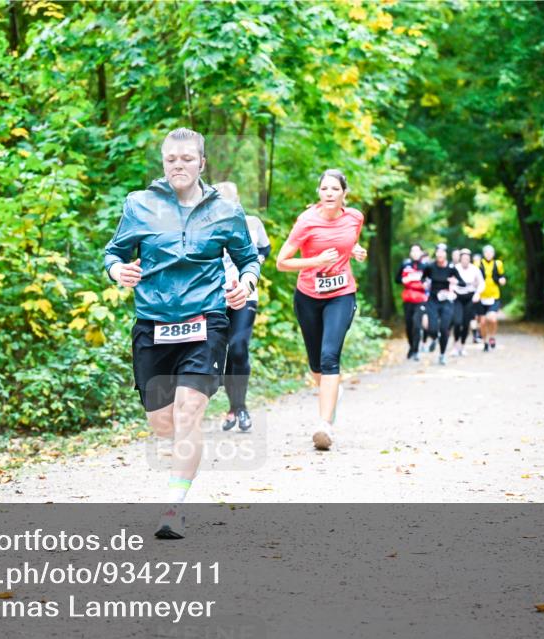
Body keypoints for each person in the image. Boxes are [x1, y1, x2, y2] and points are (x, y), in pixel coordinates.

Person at [103, 127, 259, 538]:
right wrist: (119, 270)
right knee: (162, 422)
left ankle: (173, 507)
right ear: (163, 162)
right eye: (171, 159)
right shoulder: (139, 205)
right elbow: (113, 253)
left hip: (205, 320)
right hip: (152, 323)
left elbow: (248, 259)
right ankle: (187, 450)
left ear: (202, 163)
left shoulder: (226, 209)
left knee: (189, 409)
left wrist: (246, 284)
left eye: (187, 158)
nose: (178, 165)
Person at [276, 169, 366, 451]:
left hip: (341, 294)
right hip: (308, 296)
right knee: (316, 362)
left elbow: (348, 240)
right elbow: (282, 262)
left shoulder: (355, 217)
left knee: (330, 356)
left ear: (344, 194)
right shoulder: (306, 221)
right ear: (319, 193)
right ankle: (331, 393)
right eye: (324, 189)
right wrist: (315, 261)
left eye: (334, 189)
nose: (329, 193)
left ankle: (324, 425)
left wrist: (355, 250)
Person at [212, 182, 271, 434]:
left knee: (238, 347)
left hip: (245, 296)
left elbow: (265, 248)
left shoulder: (252, 223)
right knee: (220, 355)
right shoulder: (206, 227)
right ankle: (235, 406)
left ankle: (240, 407)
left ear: (237, 202)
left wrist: (253, 264)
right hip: (214, 299)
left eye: (229, 202)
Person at [422, 245, 464, 365]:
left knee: (444, 328)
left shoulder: (451, 268)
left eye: (442, 253)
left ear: (445, 254)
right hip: (433, 300)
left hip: (447, 301)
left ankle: (442, 355)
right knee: (432, 328)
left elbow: (462, 282)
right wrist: (424, 283)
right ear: (436, 254)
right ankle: (434, 338)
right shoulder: (430, 267)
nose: (440, 255)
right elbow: (423, 279)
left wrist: (455, 282)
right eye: (438, 253)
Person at [397, 243, 427, 361]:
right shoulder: (405, 265)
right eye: (413, 251)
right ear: (410, 253)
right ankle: (411, 346)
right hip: (408, 298)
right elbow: (397, 279)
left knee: (417, 324)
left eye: (417, 251)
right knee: (409, 325)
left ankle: (416, 350)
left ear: (421, 253)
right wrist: (405, 279)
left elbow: (429, 281)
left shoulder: (425, 266)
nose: (415, 253)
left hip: (420, 299)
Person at [451, 248, 483, 356]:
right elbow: (449, 281)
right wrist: (452, 291)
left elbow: (481, 283)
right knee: (457, 322)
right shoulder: (455, 268)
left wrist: (477, 293)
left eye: (467, 259)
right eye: (463, 258)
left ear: (470, 259)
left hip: (470, 298)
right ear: (460, 259)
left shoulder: (475, 269)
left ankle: (462, 346)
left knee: (466, 323)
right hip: (457, 297)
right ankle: (455, 345)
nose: (465, 260)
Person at [476, 244, 507, 351]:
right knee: (483, 322)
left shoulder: (498, 264)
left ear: (493, 254)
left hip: (494, 295)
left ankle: (492, 337)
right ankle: (485, 342)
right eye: (486, 252)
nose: (488, 254)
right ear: (484, 254)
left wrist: (502, 280)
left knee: (492, 319)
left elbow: (502, 276)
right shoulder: (478, 264)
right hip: (481, 296)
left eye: (491, 252)